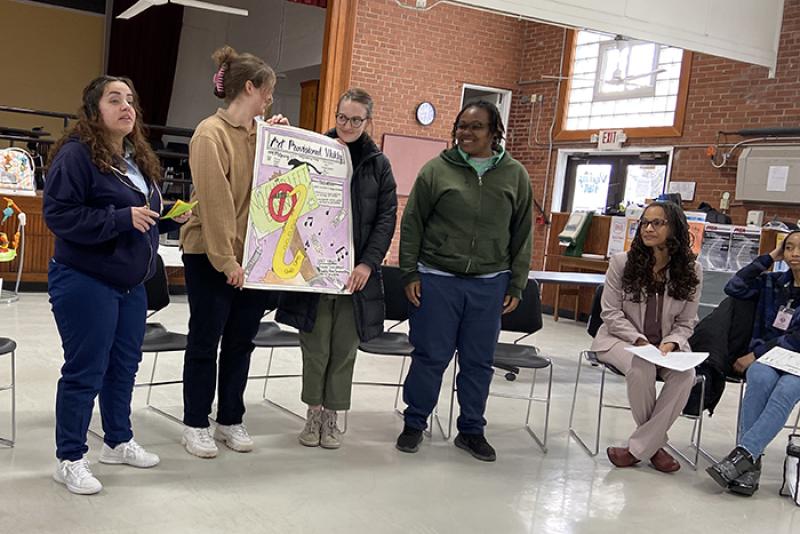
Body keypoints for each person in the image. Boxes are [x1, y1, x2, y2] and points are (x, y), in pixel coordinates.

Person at [44, 75, 191, 494]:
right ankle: (69, 458)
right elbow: (59, 216)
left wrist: (167, 216)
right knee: (85, 371)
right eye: (114, 99)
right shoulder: (76, 156)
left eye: (130, 100)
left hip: (131, 284)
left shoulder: (133, 158)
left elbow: (139, 213)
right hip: (85, 279)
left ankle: (117, 441)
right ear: (94, 111)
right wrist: (120, 219)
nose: (127, 107)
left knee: (124, 366)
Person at [396, 100, 533, 462]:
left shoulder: (515, 175)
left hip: (490, 283)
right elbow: (412, 223)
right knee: (430, 357)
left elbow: (523, 233)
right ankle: (414, 423)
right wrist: (409, 272)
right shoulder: (436, 170)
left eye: (476, 127)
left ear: (494, 132)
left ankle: (471, 430)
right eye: (462, 126)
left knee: (478, 361)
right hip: (437, 279)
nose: (466, 133)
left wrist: (517, 283)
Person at [180, 46, 288, 458]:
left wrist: (281, 138)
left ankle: (230, 418)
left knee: (241, 342)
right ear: (250, 87)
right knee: (205, 341)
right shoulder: (210, 134)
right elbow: (215, 203)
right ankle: (195, 424)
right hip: (211, 254)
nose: (270, 99)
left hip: (252, 258)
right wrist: (227, 261)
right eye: (268, 91)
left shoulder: (260, 135)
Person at [277, 88, 397, 449]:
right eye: (342, 117)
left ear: (368, 121)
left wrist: (367, 263)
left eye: (355, 120)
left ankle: (332, 417)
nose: (347, 125)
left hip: (354, 277)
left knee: (344, 349)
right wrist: (278, 134)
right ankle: (313, 414)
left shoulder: (378, 164)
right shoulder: (315, 149)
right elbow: (286, 187)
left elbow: (386, 218)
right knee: (315, 347)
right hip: (315, 271)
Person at [591, 201, 702, 473]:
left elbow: (687, 322)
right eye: (645, 223)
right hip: (620, 341)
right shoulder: (621, 263)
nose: (648, 228)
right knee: (642, 366)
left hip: (666, 346)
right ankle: (653, 446)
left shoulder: (692, 270)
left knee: (686, 375)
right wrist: (640, 341)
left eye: (657, 223)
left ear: (674, 228)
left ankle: (637, 448)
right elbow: (610, 313)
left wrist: (672, 342)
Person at [707, 230, 800, 496]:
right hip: (767, 359)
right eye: (789, 247)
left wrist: (756, 354)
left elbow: (797, 337)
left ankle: (744, 457)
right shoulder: (772, 282)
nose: (795, 253)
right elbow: (734, 286)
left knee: (786, 390)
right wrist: (769, 257)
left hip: (796, 361)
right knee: (759, 378)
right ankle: (749, 464)